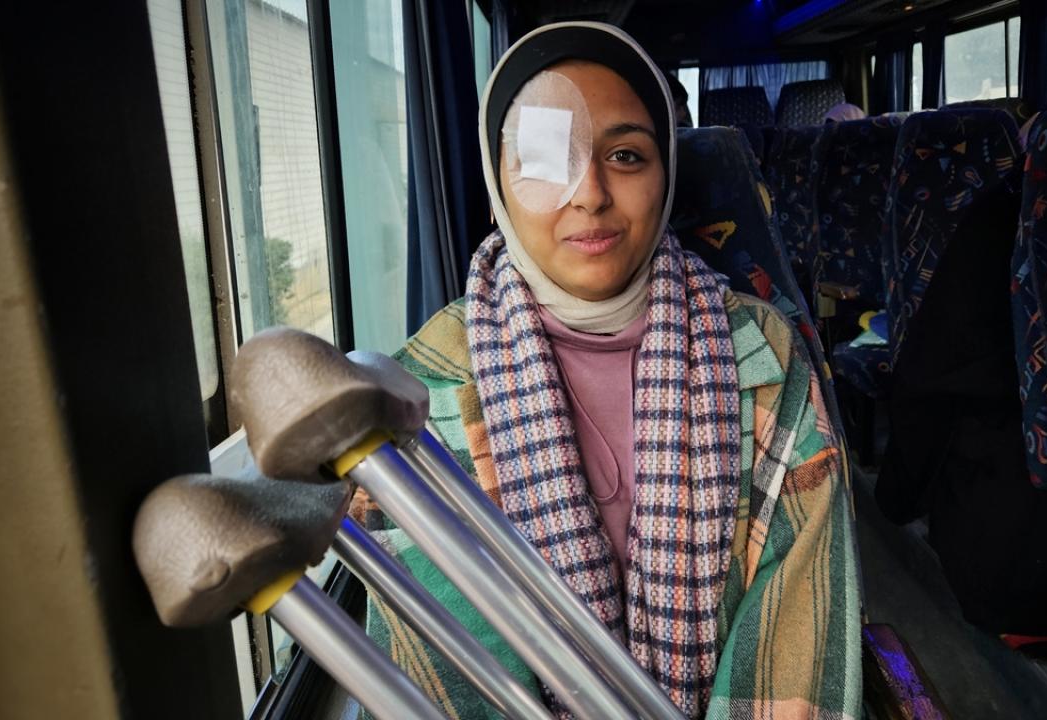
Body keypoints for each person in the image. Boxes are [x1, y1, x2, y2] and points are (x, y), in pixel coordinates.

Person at [355, 22, 860, 719]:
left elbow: (795, 626)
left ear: (665, 176)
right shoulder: (427, 388)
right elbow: (448, 671)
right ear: (498, 186)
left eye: (625, 156)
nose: (589, 193)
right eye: (544, 161)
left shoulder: (763, 350)